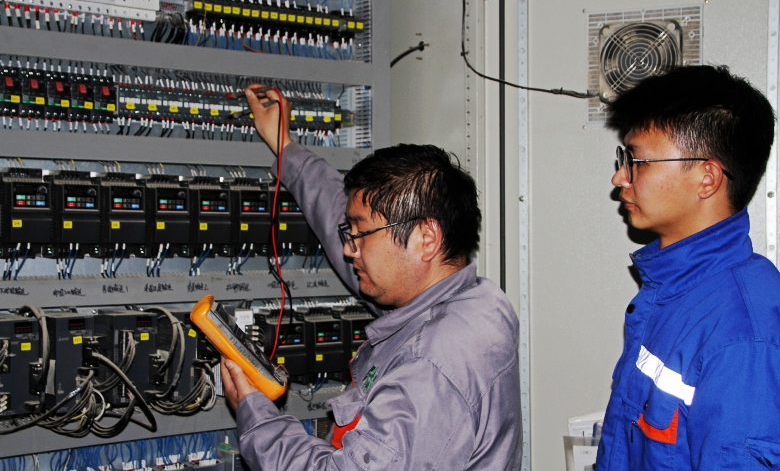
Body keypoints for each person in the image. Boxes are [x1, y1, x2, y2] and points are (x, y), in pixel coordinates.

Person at [220, 86, 522, 470]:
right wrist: (285, 147)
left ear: (426, 238)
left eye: (359, 234)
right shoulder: (476, 299)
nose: (350, 249)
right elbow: (335, 214)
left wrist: (257, 416)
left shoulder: (432, 365)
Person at [597, 65, 780, 470]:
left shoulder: (743, 336)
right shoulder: (674, 293)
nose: (619, 177)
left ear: (706, 178)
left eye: (637, 160)